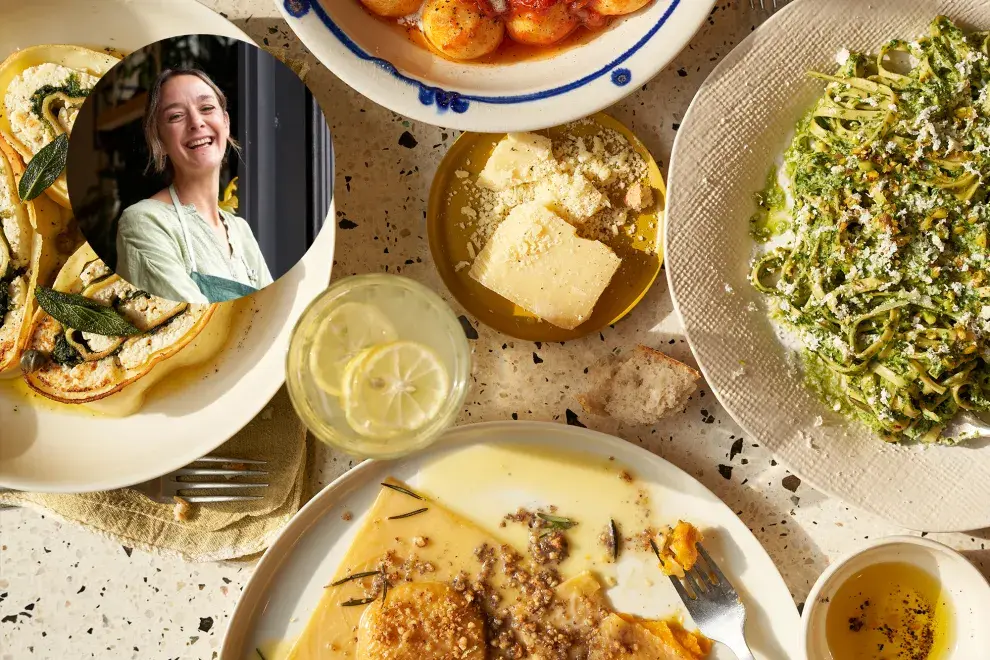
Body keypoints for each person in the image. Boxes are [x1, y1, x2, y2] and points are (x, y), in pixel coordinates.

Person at [115, 68, 273, 304]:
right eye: (176, 116)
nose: (196, 122)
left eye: (207, 108)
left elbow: (275, 308)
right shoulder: (144, 221)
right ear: (159, 139)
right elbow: (195, 324)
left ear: (226, 123)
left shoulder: (241, 231)